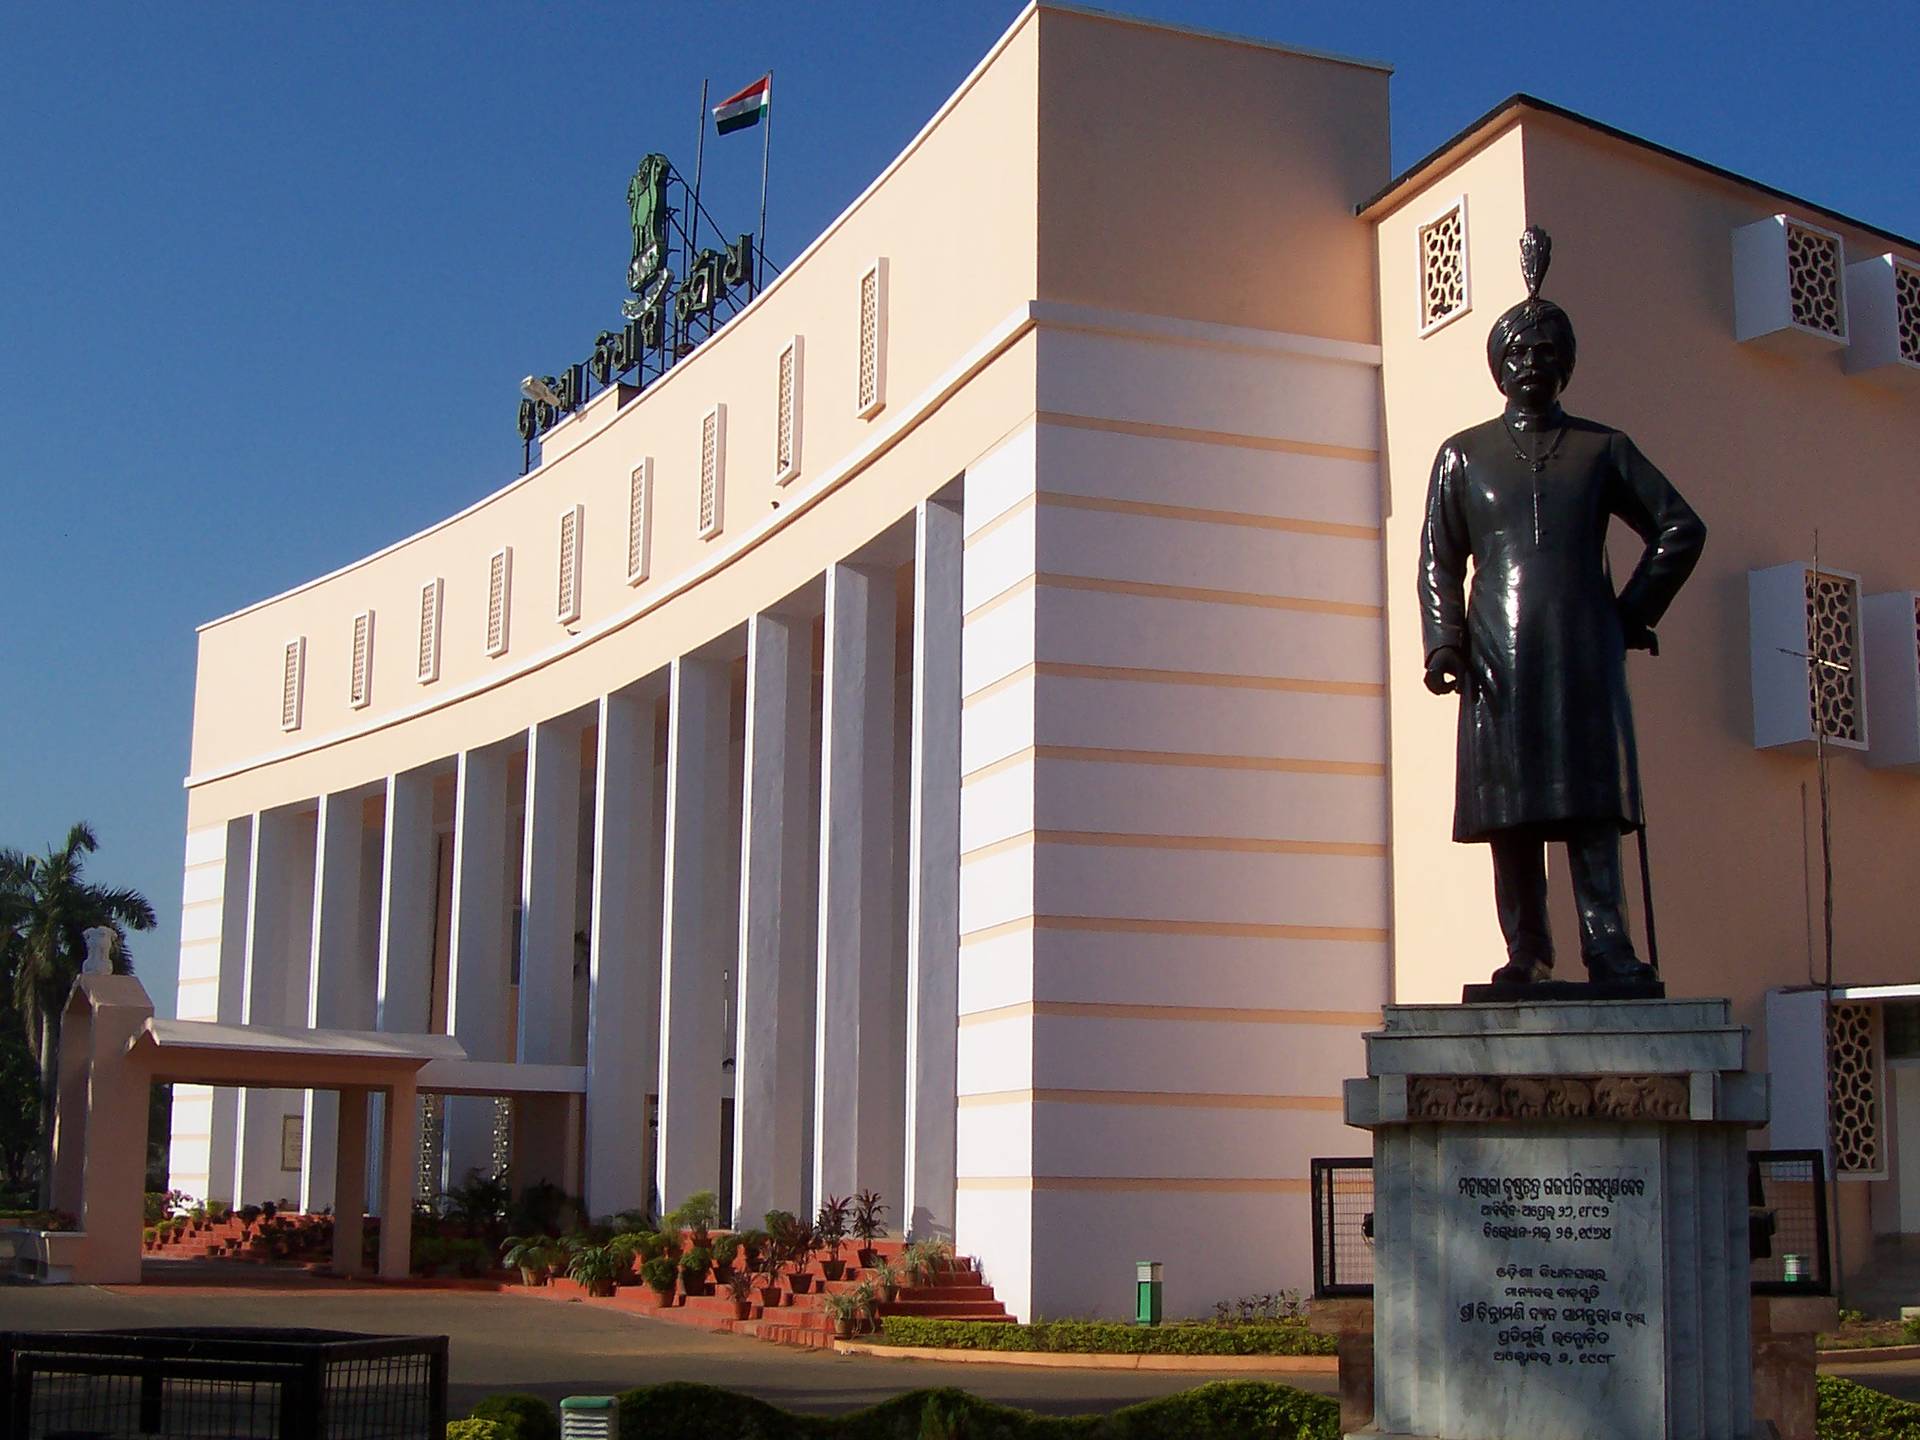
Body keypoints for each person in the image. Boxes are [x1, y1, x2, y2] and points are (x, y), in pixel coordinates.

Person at [1418, 228, 1706, 987]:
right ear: (1497, 364)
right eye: (1517, 352)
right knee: (1510, 811)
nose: (1531, 364)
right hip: (1497, 656)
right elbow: (1439, 559)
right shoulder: (1463, 454)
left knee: (1589, 805)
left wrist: (1631, 611)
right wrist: (1445, 642)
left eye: (1547, 352)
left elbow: (1680, 525)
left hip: (1583, 647)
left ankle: (1607, 945)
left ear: (1567, 364)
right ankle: (1526, 950)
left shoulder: (1604, 449)